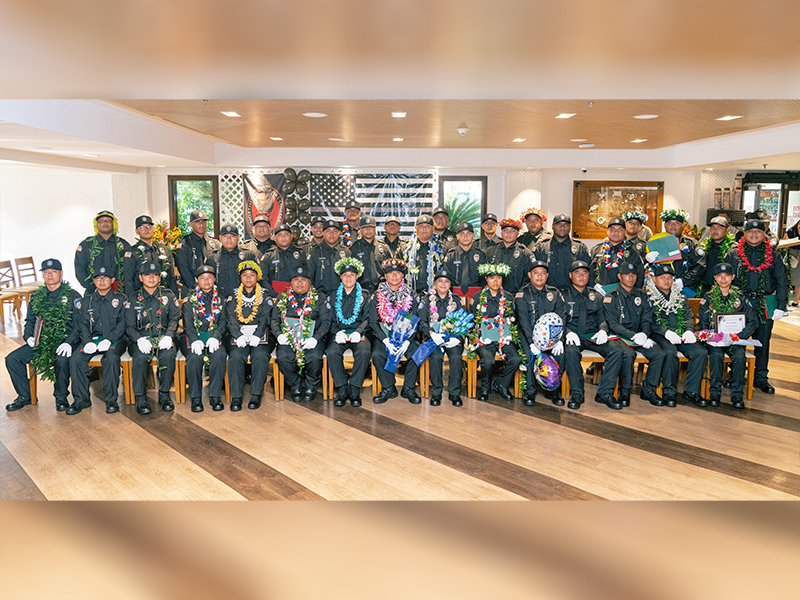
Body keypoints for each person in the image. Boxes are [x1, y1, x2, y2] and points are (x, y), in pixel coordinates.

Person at [5, 259, 82, 412]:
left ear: (61, 274)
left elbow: (79, 324)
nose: (50, 275)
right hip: (41, 342)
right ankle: (25, 395)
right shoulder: (36, 296)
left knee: (61, 360)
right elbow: (30, 321)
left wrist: (69, 342)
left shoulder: (73, 296)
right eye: (46, 272)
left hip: (65, 342)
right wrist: (29, 338)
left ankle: (61, 398)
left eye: (54, 271)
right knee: (12, 359)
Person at [725, 218, 788, 394]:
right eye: (750, 232)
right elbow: (723, 278)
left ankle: (760, 378)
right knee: (737, 341)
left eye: (758, 232)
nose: (754, 235)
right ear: (744, 234)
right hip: (739, 303)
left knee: (763, 342)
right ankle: (735, 375)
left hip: (764, 302)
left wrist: (781, 306)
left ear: (764, 234)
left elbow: (782, 281)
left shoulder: (773, 255)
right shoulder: (733, 253)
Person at [562, 260, 632, 410]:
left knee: (617, 350)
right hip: (574, 335)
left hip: (593, 335)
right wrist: (567, 332)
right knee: (571, 351)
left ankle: (604, 393)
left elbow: (602, 318)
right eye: (577, 273)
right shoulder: (563, 296)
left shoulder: (597, 296)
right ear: (570, 275)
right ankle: (577, 393)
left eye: (585, 273)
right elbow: (559, 318)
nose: (581, 276)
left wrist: (603, 330)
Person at [603, 260, 666, 408]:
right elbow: (612, 324)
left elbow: (647, 318)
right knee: (628, 355)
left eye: (633, 274)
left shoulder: (642, 295)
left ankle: (649, 389)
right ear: (619, 276)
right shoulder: (611, 297)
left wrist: (644, 334)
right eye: (626, 274)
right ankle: (625, 391)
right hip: (620, 337)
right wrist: (632, 336)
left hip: (641, 337)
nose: (630, 277)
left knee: (659, 354)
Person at [645, 263, 708, 408]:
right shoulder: (648, 297)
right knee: (669, 351)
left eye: (669, 277)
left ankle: (691, 392)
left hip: (681, 333)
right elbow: (649, 321)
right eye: (662, 277)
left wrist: (689, 330)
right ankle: (669, 391)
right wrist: (666, 332)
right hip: (659, 333)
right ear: (654, 279)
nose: (667, 281)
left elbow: (688, 316)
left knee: (700, 352)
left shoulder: (681, 297)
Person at [68, 266, 128, 415]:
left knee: (111, 358)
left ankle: (111, 400)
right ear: (94, 281)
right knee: (75, 359)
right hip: (91, 339)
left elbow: (123, 324)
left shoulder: (121, 299)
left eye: (106, 277)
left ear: (112, 280)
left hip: (116, 339)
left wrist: (109, 339)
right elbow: (82, 323)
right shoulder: (86, 301)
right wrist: (87, 341)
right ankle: (81, 399)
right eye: (98, 278)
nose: (102, 281)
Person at [699, 262, 757, 409]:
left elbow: (753, 321)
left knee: (739, 356)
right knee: (716, 356)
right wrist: (710, 337)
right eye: (719, 275)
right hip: (716, 341)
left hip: (735, 340)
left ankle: (737, 395)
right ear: (714, 278)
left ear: (732, 277)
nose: (723, 279)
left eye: (727, 276)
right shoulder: (708, 298)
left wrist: (739, 336)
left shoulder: (741, 298)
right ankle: (714, 392)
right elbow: (704, 323)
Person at [126, 262, 180, 415]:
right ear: (141, 277)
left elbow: (174, 319)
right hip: (141, 339)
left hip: (163, 338)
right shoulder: (133, 297)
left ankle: (164, 394)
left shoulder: (168, 296)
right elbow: (129, 325)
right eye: (147, 275)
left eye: (155, 275)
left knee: (169, 355)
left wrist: (169, 335)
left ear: (159, 278)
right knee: (140, 357)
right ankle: (140, 397)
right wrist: (138, 339)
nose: (151, 278)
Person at [369, 258, 423, 404]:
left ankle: (408, 388)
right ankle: (388, 388)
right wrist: (385, 339)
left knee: (416, 353)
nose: (394, 276)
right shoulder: (377, 295)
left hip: (407, 336)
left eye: (398, 273)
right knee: (377, 354)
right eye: (390, 273)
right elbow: (373, 322)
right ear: (385, 276)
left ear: (403, 276)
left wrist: (408, 340)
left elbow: (416, 319)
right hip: (384, 336)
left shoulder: (411, 294)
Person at [272, 266, 328, 403]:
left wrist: (315, 339)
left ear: (309, 282)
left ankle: (311, 385)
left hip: (312, 338)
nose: (299, 283)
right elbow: (274, 320)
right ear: (290, 282)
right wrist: (279, 335)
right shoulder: (282, 297)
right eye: (296, 280)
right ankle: (295, 385)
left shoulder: (319, 298)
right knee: (284, 357)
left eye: (303, 280)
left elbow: (326, 322)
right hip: (288, 339)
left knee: (314, 357)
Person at [515, 260, 567, 406]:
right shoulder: (522, 294)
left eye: (543, 273)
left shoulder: (554, 293)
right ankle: (530, 391)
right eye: (536, 273)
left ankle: (554, 391)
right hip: (528, 334)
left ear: (547, 275)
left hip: (552, 336)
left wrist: (559, 339)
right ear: (529, 275)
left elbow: (561, 317)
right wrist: (532, 343)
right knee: (529, 354)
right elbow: (524, 321)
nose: (539, 276)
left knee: (560, 354)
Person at [226, 261, 275, 410]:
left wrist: (257, 334)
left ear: (258, 277)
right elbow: (230, 318)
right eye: (245, 275)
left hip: (261, 335)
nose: (248, 278)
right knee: (235, 357)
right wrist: (238, 335)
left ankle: (256, 395)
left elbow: (266, 317)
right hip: (238, 336)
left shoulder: (265, 295)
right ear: (240, 278)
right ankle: (236, 397)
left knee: (260, 356)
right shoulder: (233, 296)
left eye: (252, 275)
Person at [470, 263, 522, 402]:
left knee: (516, 359)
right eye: (492, 278)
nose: (495, 281)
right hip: (483, 339)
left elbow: (514, 318)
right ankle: (485, 388)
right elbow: (471, 321)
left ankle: (501, 384)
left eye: (499, 278)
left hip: (502, 338)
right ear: (486, 279)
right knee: (488, 360)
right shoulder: (477, 297)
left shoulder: (509, 297)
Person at [323, 258, 371, 407]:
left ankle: (355, 388)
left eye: (352, 275)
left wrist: (358, 331)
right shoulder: (332, 296)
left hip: (359, 333)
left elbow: (368, 318)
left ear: (357, 277)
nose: (348, 278)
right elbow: (328, 319)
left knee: (364, 352)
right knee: (332, 352)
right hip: (339, 333)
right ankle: (342, 387)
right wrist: (337, 332)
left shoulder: (365, 295)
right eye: (345, 275)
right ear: (340, 277)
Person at [182, 264, 227, 412]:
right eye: (202, 278)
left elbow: (223, 321)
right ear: (197, 280)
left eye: (209, 277)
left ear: (214, 279)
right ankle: (196, 398)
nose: (206, 281)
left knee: (219, 355)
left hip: (214, 336)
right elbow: (188, 323)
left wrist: (215, 336)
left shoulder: (221, 299)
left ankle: (215, 396)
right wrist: (194, 339)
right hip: (195, 336)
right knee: (194, 357)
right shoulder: (190, 300)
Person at [418, 269, 464, 407]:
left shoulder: (456, 300)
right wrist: (431, 334)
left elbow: (463, 321)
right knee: (436, 357)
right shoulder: (426, 300)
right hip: (433, 338)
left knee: (456, 358)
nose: (443, 284)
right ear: (435, 283)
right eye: (440, 281)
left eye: (446, 281)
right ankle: (436, 393)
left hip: (452, 339)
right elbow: (422, 322)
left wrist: (458, 337)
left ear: (450, 284)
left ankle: (454, 393)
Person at [75, 210, 136, 295]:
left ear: (113, 224)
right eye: (102, 220)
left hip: (119, 292)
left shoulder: (123, 245)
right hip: (93, 292)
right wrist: (91, 286)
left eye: (108, 220)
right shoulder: (87, 244)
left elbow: (130, 269)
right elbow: (79, 268)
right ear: (97, 224)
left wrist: (128, 289)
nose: (105, 223)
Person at [645, 208, 705, 291]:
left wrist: (683, 281)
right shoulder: (656, 243)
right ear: (665, 225)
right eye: (669, 223)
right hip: (660, 290)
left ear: (683, 225)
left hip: (685, 288)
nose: (673, 226)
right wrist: (648, 261)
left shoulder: (691, 243)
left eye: (677, 223)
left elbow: (700, 265)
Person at [533, 214, 590, 291]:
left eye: (566, 224)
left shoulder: (580, 247)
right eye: (558, 224)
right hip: (547, 293)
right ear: (552, 226)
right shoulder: (542, 247)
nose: (562, 227)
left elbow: (587, 273)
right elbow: (534, 272)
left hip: (573, 294)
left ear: (570, 227)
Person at [589, 217, 644, 293]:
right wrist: (593, 287)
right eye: (612, 229)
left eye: (620, 229)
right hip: (599, 294)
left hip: (623, 296)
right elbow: (589, 272)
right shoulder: (597, 250)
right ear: (607, 231)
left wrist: (633, 294)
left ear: (625, 232)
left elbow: (639, 276)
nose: (616, 232)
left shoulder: (632, 253)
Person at [175, 210, 221, 292]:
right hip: (191, 288)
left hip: (212, 290)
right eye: (197, 222)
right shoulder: (184, 244)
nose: (201, 224)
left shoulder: (215, 243)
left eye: (204, 221)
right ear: (190, 224)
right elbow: (183, 269)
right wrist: (196, 288)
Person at [208, 223, 258, 299]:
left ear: (238, 238)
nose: (228, 239)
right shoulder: (212, 258)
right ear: (220, 238)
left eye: (232, 236)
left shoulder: (248, 255)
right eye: (225, 236)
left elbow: (257, 278)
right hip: (219, 301)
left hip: (244, 299)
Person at [485, 218, 533, 295]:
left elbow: (529, 279)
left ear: (518, 233)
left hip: (517, 296)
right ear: (501, 233)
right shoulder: (491, 251)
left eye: (513, 231)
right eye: (505, 230)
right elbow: (484, 275)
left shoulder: (525, 253)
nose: (508, 233)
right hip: (494, 296)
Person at [131, 215, 177, 294]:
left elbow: (171, 276)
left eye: (149, 226)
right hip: (141, 297)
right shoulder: (132, 252)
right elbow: (129, 280)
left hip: (164, 296)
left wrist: (174, 298)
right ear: (136, 231)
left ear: (153, 229)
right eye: (142, 227)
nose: (146, 229)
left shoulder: (165, 250)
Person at [259, 223, 309, 295]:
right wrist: (274, 295)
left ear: (291, 236)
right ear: (275, 238)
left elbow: (308, 275)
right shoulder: (268, 256)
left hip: (299, 295)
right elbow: (263, 280)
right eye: (280, 235)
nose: (283, 237)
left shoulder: (301, 253)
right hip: (275, 297)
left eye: (286, 234)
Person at [404, 214, 445, 293]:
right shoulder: (406, 249)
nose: (424, 229)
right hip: (411, 295)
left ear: (433, 228)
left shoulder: (441, 249)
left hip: (434, 294)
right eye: (421, 226)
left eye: (428, 226)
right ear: (416, 228)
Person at [350, 215, 392, 292]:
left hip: (382, 290)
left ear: (375, 229)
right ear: (361, 230)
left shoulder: (384, 247)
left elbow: (390, 270)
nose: (368, 230)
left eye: (371, 227)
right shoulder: (354, 248)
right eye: (365, 228)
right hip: (361, 290)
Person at [309, 219, 351, 296]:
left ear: (339, 233)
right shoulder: (315, 252)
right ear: (323, 233)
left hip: (341, 296)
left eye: (335, 231)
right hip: (320, 296)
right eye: (328, 231)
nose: (331, 234)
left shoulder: (346, 252)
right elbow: (309, 277)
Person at [443, 221, 485, 294]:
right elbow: (447, 278)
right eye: (462, 234)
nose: (465, 237)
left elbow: (484, 279)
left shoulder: (480, 255)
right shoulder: (451, 255)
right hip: (454, 295)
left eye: (468, 234)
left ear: (473, 235)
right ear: (457, 236)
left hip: (476, 295)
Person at [699, 216, 737, 294]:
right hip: (705, 290)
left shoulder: (733, 249)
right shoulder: (705, 247)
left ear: (727, 230)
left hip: (724, 290)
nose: (715, 231)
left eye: (719, 228)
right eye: (713, 228)